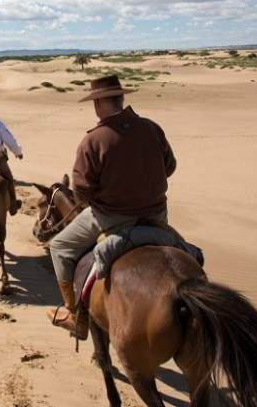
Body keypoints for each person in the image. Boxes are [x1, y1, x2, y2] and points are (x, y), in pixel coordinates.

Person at [47, 75, 176, 339]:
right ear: (121, 98)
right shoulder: (152, 128)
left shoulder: (93, 140)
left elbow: (81, 191)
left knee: (58, 246)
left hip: (111, 218)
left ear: (98, 104)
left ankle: (74, 316)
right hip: (157, 215)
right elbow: (170, 167)